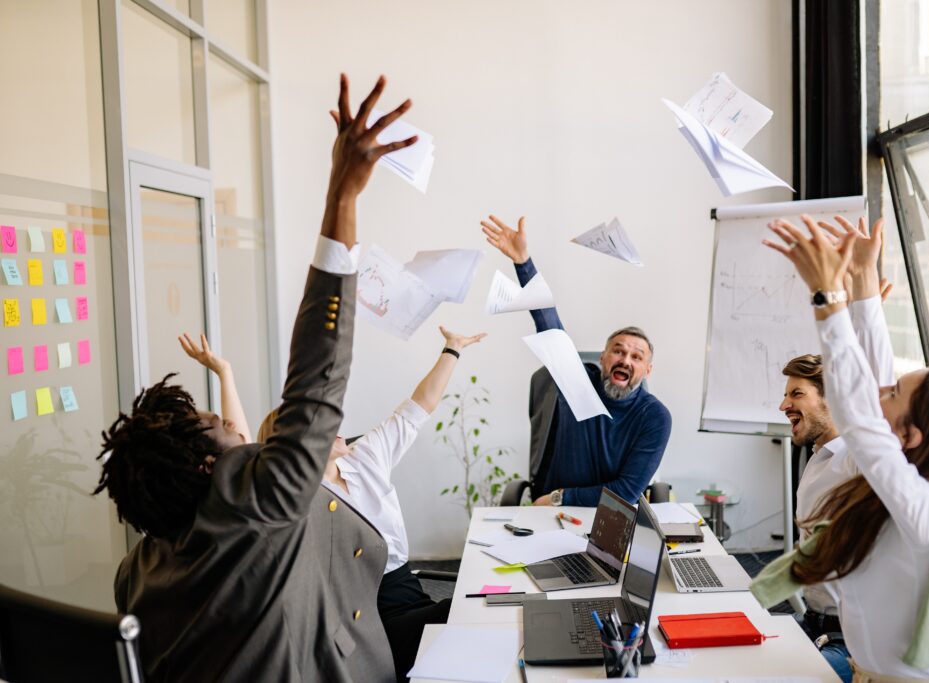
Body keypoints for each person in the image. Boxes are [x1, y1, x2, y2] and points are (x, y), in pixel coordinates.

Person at [94, 74, 418, 682]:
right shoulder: (260, 503)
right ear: (208, 468)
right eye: (215, 426)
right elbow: (315, 380)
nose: (229, 426)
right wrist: (342, 194)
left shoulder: (136, 573)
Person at [753, 214, 929, 681]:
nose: (877, 391)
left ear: (910, 439)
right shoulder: (909, 485)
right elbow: (878, 380)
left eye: (890, 396)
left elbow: (861, 417)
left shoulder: (925, 509)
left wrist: (829, 299)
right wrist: (864, 282)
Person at [251, 325, 485, 682]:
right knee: (468, 617)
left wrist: (451, 349)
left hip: (407, 589)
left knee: (470, 623)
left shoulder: (364, 457)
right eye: (323, 426)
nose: (338, 426)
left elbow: (418, 407)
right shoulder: (298, 502)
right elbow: (246, 461)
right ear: (300, 446)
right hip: (361, 617)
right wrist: (224, 375)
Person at [480, 214, 672, 506]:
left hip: (605, 515)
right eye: (618, 351)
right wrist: (523, 262)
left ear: (647, 369)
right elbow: (549, 324)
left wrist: (560, 497)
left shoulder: (655, 417)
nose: (626, 360)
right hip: (548, 514)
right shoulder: (578, 383)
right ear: (604, 357)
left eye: (637, 356)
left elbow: (627, 492)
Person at [778, 218, 897, 683]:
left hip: (847, 644)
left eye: (797, 395)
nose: (784, 404)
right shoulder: (819, 457)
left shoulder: (858, 461)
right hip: (815, 625)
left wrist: (858, 296)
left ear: (833, 399)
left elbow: (875, 395)